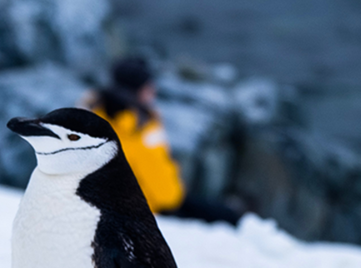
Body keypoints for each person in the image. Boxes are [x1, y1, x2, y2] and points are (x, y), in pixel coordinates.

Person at [80, 57, 244, 226]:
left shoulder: (144, 117)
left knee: (228, 215)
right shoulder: (104, 124)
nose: (153, 90)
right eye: (147, 86)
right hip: (149, 208)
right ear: (133, 89)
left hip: (171, 198)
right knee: (226, 218)